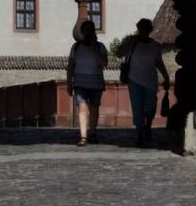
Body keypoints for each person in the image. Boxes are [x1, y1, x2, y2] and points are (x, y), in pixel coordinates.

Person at [118, 18, 170, 147]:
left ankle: (148, 126)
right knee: (137, 108)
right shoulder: (131, 43)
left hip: (150, 81)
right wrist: (129, 42)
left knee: (151, 107)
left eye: (145, 30)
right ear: (138, 29)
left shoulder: (155, 45)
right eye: (141, 29)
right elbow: (119, 53)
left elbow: (159, 62)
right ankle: (140, 132)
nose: (143, 32)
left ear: (149, 31)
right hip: (134, 80)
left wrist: (166, 77)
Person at [66, 18, 108, 146]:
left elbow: (104, 63)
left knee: (94, 109)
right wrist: (69, 82)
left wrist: (94, 49)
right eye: (86, 30)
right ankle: (83, 136)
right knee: (82, 107)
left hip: (96, 82)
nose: (89, 33)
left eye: (91, 30)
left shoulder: (100, 46)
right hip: (80, 82)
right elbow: (70, 66)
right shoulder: (76, 47)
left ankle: (93, 133)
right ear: (83, 32)